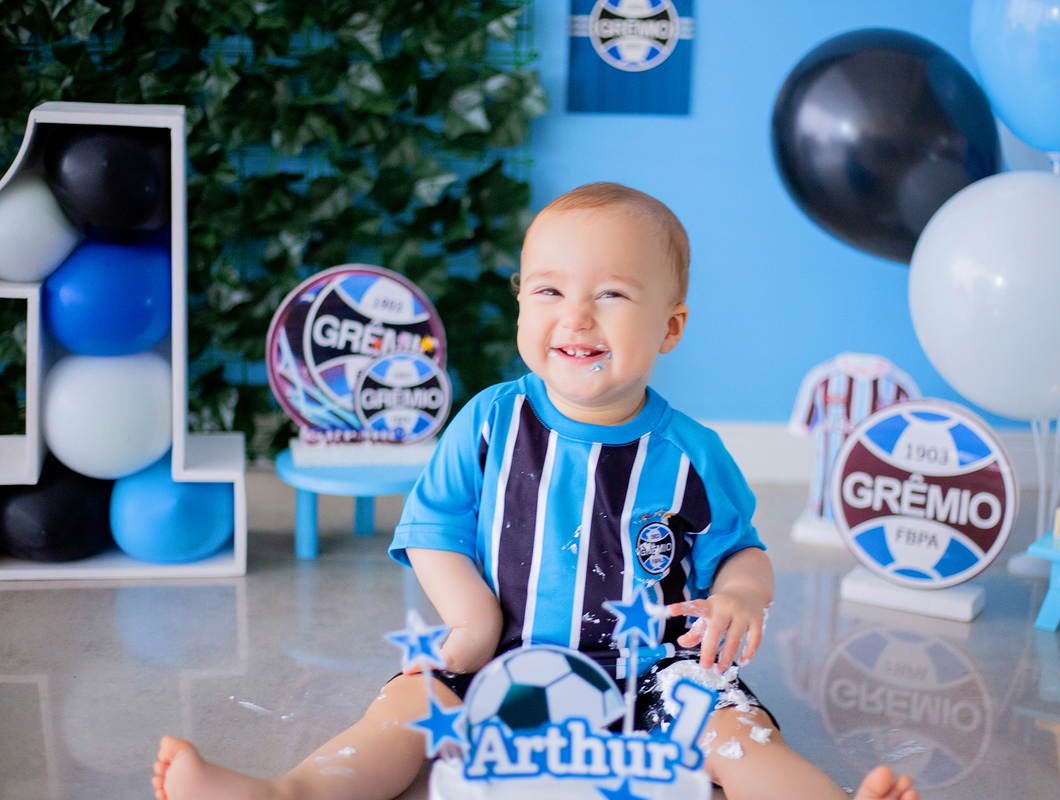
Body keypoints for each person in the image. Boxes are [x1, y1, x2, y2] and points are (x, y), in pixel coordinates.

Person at [152, 183, 918, 800]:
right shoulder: (489, 423)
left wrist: (741, 598)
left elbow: (741, 552)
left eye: (613, 295)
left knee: (733, 732)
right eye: (548, 289)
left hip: (653, 668)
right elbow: (432, 529)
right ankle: (292, 792)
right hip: (501, 657)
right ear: (522, 303)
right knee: (406, 709)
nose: (575, 315)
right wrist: (472, 622)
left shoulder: (692, 454)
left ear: (671, 327)